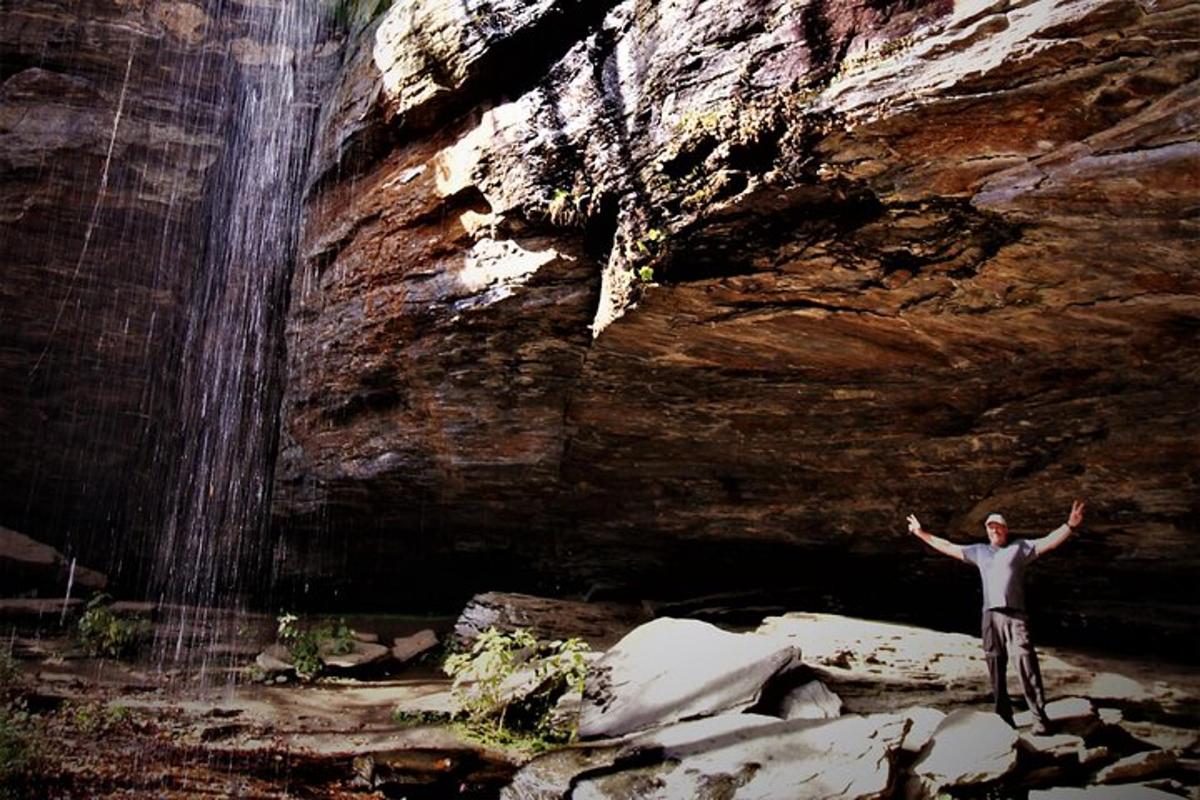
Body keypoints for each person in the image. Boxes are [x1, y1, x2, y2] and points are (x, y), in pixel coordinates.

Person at [905, 500, 1086, 735]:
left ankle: (1039, 718)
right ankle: (1004, 718)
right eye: (990, 527)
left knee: (1025, 663)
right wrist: (920, 533)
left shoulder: (1020, 548)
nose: (994, 530)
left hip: (1016, 616)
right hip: (990, 616)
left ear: (1005, 529)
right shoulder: (979, 552)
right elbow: (948, 546)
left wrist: (1069, 526)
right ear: (987, 530)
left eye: (998, 526)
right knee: (995, 665)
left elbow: (1048, 542)